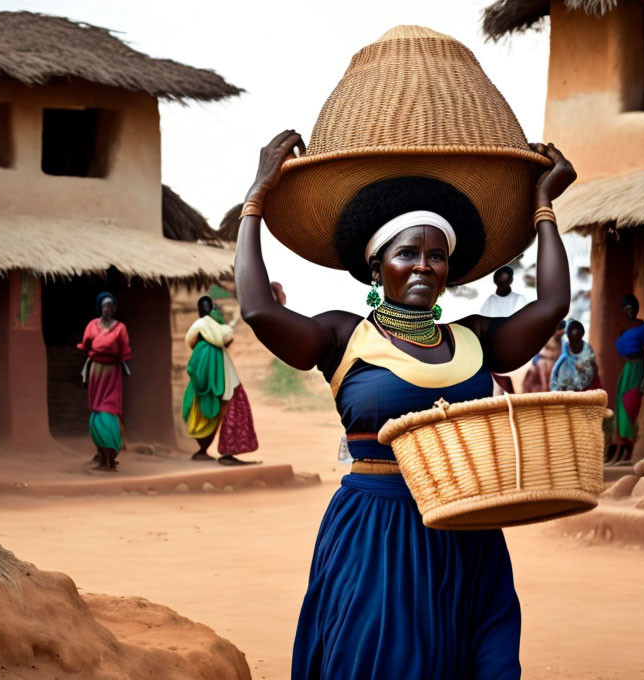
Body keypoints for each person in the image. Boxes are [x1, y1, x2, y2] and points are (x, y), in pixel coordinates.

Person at [235, 129, 576, 679]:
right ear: (378, 267)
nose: (424, 265)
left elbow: (553, 303)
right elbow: (257, 311)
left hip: (466, 532)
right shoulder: (343, 337)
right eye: (407, 253)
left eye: (436, 255)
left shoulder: (474, 338)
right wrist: (256, 197)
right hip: (377, 532)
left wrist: (544, 206)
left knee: (478, 661)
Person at [183, 296, 259, 465]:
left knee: (214, 412)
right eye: (211, 308)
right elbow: (223, 337)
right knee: (232, 409)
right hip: (220, 379)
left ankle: (207, 451)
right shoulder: (211, 331)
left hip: (218, 377)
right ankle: (226, 453)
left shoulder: (203, 338)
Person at [77, 292, 131, 471]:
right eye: (104, 306)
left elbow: (125, 349)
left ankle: (111, 450)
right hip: (96, 372)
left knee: (110, 409)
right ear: (100, 307)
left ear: (114, 308)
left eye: (110, 306)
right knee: (97, 408)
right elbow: (85, 344)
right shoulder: (92, 325)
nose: (107, 309)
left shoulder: (120, 328)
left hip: (112, 372)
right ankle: (101, 451)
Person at [609, 294, 644, 464]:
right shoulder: (623, 327)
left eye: (632, 308)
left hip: (639, 368)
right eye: (626, 308)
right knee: (620, 406)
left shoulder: (642, 326)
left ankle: (629, 448)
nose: (630, 311)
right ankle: (620, 451)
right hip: (627, 369)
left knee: (630, 405)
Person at [550, 320, 600, 392]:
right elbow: (555, 374)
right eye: (572, 340)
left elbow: (589, 378)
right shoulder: (564, 350)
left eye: (577, 341)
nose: (574, 344)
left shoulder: (587, 353)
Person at [522, 320, 566, 393]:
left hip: (554, 368)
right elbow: (537, 358)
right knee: (542, 364)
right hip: (540, 372)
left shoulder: (563, 343)